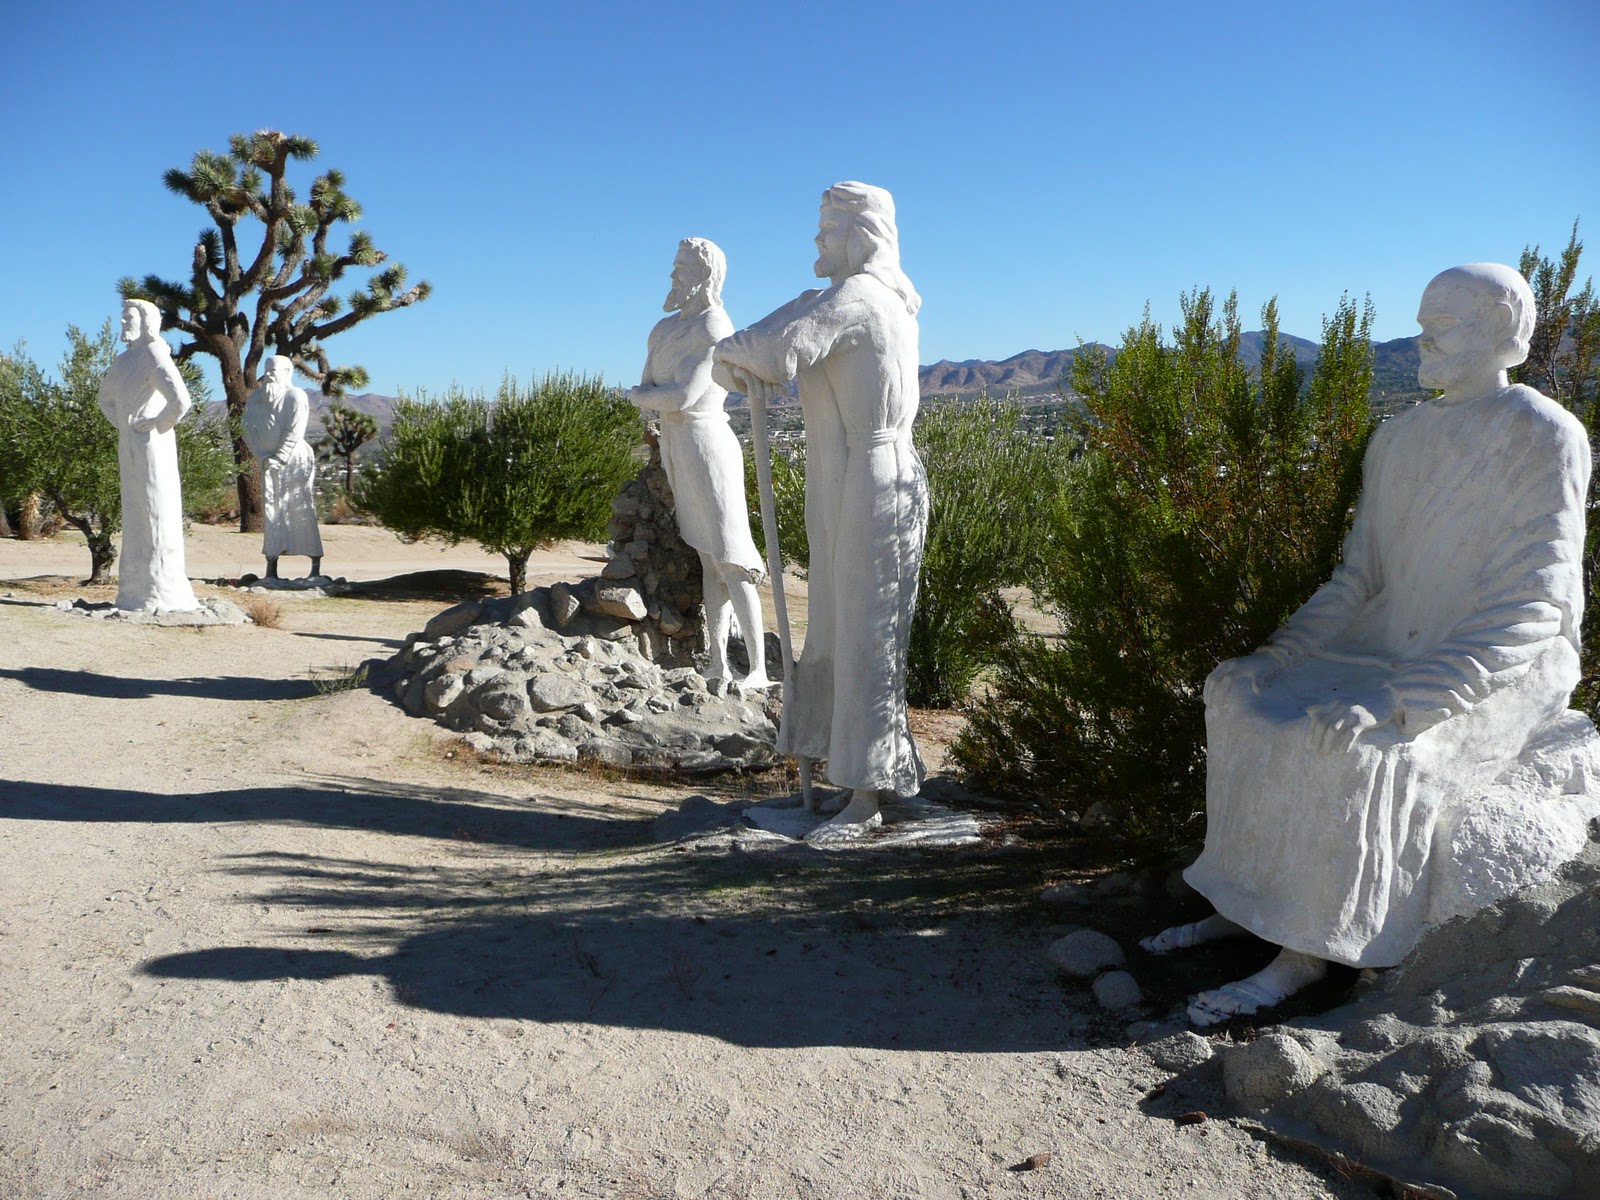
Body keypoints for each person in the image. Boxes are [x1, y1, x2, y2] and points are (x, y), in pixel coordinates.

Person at [1146, 263, 1591, 1025]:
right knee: (1244, 702)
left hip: (1501, 656)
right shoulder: (1398, 437)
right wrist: (1274, 658)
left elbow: (1531, 605)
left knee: (1359, 746)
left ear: (1501, 332)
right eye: (1422, 324)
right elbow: (1358, 581)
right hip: (1385, 637)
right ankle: (1247, 904)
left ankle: (1306, 954)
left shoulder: (1543, 433)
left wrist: (1403, 698)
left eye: (1443, 325)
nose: (1423, 339)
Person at [713, 182, 928, 840]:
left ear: (860, 236)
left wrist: (737, 352)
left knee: (867, 636)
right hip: (854, 475)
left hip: (876, 477)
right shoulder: (851, 296)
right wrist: (744, 350)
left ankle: (868, 792)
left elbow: (771, 352)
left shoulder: (860, 297)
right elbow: (767, 345)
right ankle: (850, 775)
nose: (817, 238)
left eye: (828, 227)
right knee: (838, 627)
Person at [627, 239, 768, 686]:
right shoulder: (663, 329)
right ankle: (718, 662)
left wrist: (645, 396)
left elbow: (680, 396)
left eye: (682, 267)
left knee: (732, 557)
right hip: (677, 445)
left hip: (708, 443)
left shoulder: (713, 325)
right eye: (674, 266)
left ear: (705, 276)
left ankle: (758, 668)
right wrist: (650, 396)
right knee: (708, 558)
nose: (673, 275)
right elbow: (652, 388)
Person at [96, 299, 199, 612]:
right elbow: (105, 400)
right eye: (122, 317)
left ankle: (162, 588)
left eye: (129, 317)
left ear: (146, 322)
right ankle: (134, 589)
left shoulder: (154, 353)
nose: (123, 323)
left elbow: (181, 400)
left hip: (153, 443)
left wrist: (154, 423)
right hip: (130, 440)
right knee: (134, 509)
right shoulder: (122, 361)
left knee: (157, 507)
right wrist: (125, 425)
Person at [242, 355, 324, 579]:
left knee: (300, 507)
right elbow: (246, 428)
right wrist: (261, 456)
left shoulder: (295, 396)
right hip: (267, 463)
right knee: (272, 512)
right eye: (266, 370)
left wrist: (279, 457)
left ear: (287, 372)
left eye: (274, 370)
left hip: (294, 461)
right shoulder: (255, 400)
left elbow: (294, 430)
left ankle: (314, 567)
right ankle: (271, 568)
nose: (269, 375)